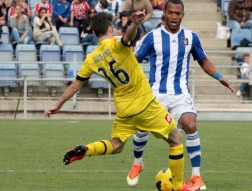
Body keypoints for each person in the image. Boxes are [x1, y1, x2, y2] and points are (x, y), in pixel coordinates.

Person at [43, 11, 199, 191]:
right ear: (110, 29)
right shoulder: (116, 43)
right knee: (176, 139)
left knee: (116, 145)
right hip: (145, 104)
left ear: (94, 33)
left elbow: (74, 86)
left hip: (124, 111)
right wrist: (135, 24)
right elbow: (126, 38)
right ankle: (179, 186)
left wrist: (57, 105)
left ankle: (88, 149)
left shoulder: (91, 59)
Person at [126, 0, 234, 190]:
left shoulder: (191, 37)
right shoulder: (152, 37)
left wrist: (219, 77)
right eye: (171, 13)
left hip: (180, 94)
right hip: (155, 94)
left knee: (190, 125)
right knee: (142, 129)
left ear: (183, 15)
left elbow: (203, 60)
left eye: (178, 13)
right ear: (164, 14)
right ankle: (138, 163)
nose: (174, 17)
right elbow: (134, 61)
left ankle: (196, 176)